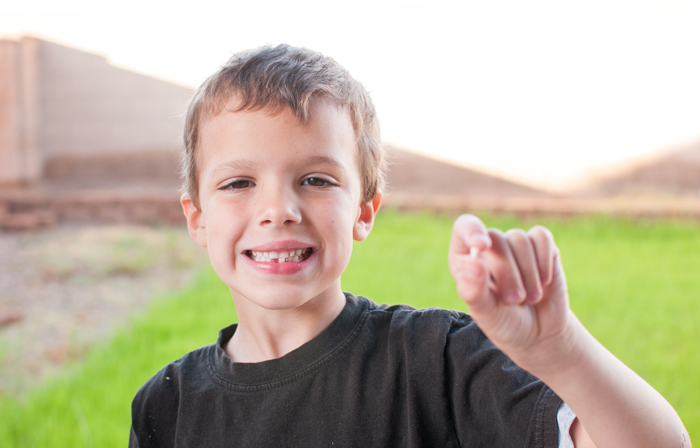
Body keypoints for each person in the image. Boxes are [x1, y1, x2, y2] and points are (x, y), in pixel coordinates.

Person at [129, 45, 690, 447]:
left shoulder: (439, 359)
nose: (278, 209)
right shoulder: (167, 405)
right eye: (238, 183)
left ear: (365, 210)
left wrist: (561, 351)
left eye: (316, 179)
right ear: (197, 217)